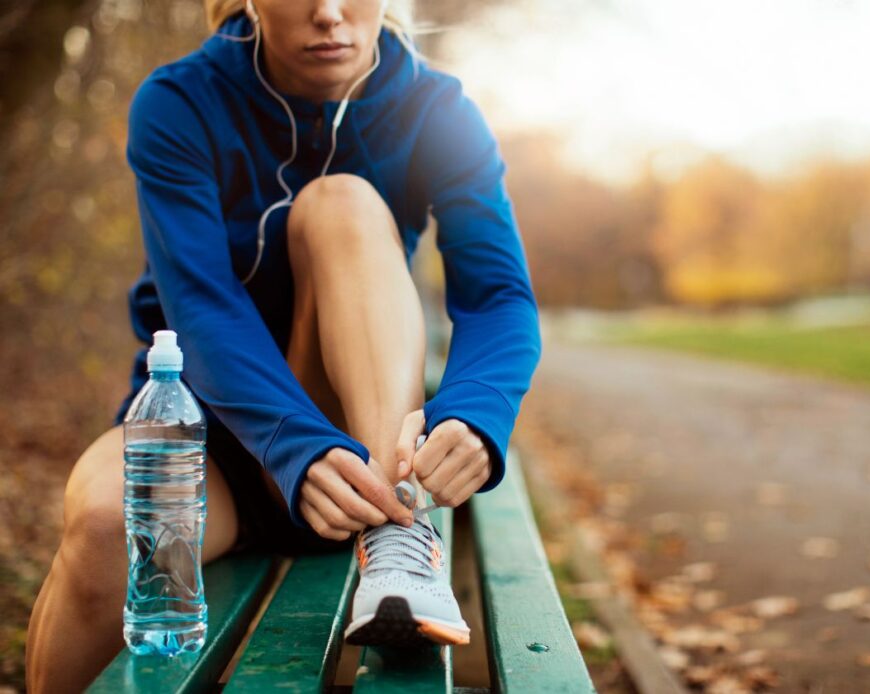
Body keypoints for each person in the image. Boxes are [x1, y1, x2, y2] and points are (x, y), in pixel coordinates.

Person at [25, 0, 541, 689]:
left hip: (361, 457)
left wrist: (478, 413)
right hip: (216, 437)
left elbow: (498, 294)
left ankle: (398, 541)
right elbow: (201, 306)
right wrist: (293, 446)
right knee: (102, 525)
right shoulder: (180, 102)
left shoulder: (436, 110)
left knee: (341, 203)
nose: (328, 13)